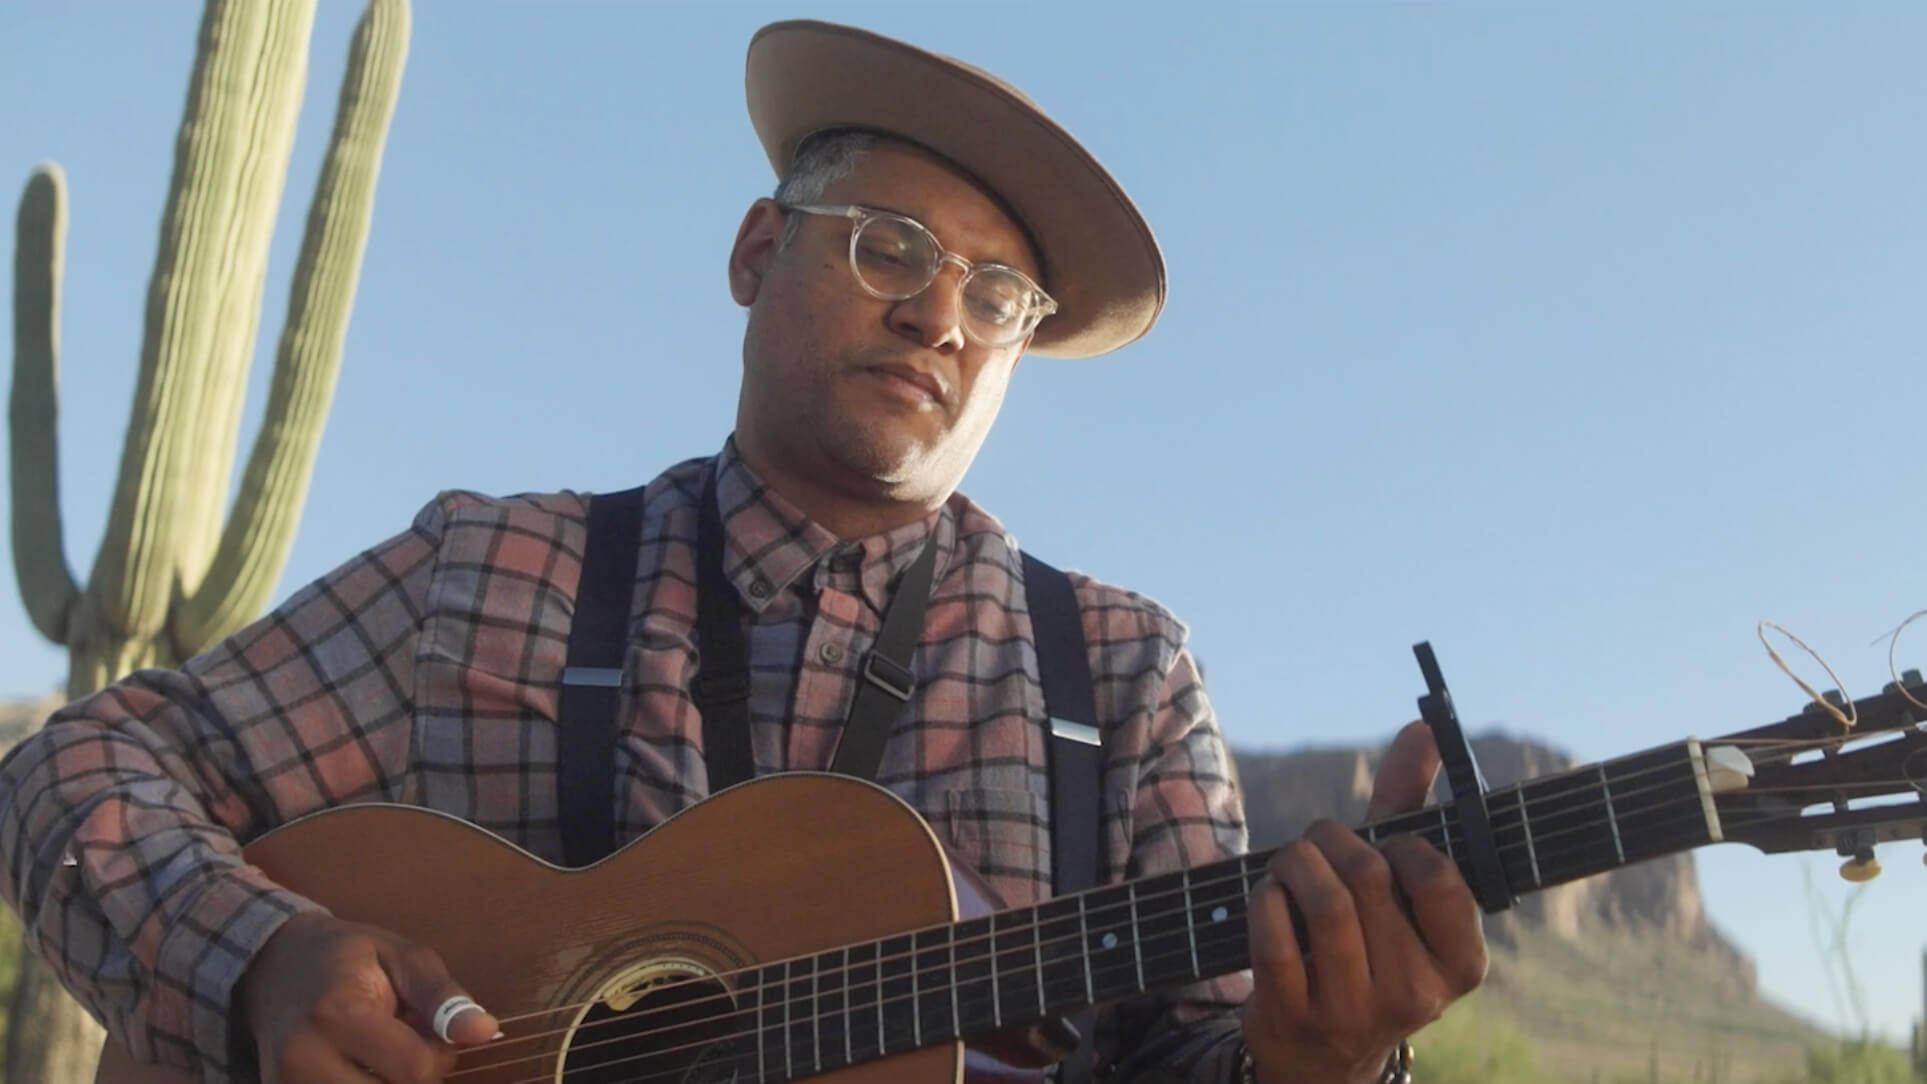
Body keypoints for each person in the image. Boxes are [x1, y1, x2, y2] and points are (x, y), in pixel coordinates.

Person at [0, 19, 1485, 1084]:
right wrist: (255, 962)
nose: (941, 319)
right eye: (891, 246)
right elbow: (74, 770)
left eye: (1002, 297)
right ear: (756, 252)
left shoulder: (1123, 670)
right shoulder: (493, 575)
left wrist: (1322, 1064)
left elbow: (1191, 1055)